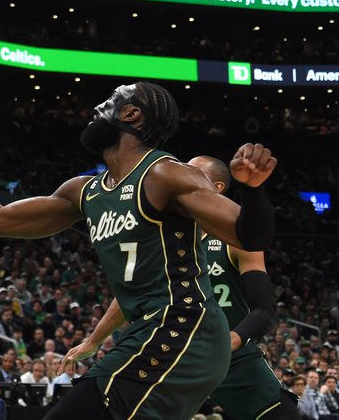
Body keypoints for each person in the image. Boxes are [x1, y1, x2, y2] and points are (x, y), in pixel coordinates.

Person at [0, 83, 279, 420]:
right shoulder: (86, 191)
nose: (96, 108)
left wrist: (252, 191)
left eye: (110, 99)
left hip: (185, 326)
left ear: (130, 114)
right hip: (151, 331)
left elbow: (250, 236)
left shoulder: (164, 173)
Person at [65, 154, 299, 420]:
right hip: (174, 346)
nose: (177, 175)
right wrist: (93, 340)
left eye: (189, 171)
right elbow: (134, 292)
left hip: (231, 353)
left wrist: (229, 342)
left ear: (216, 188)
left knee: (284, 415)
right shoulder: (161, 233)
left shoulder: (235, 241)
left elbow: (264, 311)